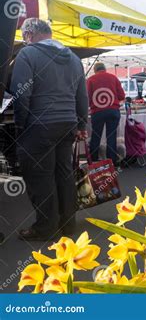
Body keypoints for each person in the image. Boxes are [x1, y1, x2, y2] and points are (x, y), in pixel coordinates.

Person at [11, 18, 88, 241]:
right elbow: (82, 96)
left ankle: (45, 228)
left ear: (29, 34)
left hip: (38, 126)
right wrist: (81, 124)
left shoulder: (28, 54)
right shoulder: (73, 59)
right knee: (63, 174)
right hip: (67, 125)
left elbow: (21, 94)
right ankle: (67, 224)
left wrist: (20, 124)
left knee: (40, 177)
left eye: (24, 37)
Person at [87, 62, 125, 165]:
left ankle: (93, 161)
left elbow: (86, 97)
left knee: (96, 136)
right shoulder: (113, 78)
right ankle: (111, 162)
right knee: (111, 136)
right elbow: (121, 96)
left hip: (97, 112)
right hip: (113, 111)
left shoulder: (90, 80)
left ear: (95, 70)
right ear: (105, 69)